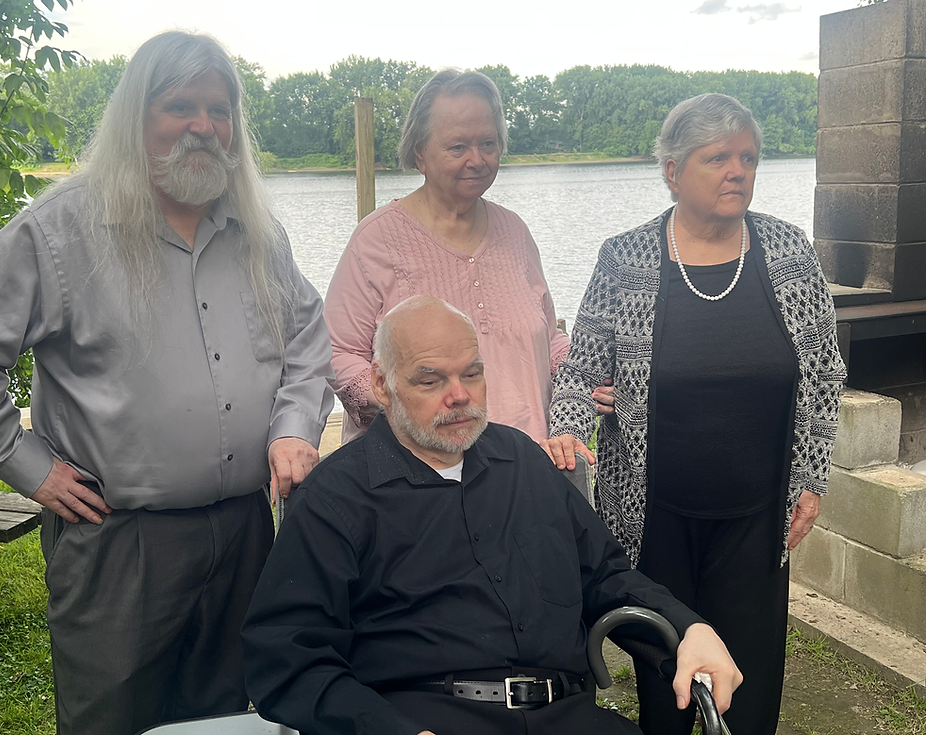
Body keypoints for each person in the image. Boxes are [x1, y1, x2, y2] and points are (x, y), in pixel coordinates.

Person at [0, 31, 333, 735]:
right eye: (179, 105)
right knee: (109, 720)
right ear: (136, 116)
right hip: (118, 540)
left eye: (219, 110)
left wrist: (293, 429)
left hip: (245, 530)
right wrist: (24, 463)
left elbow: (309, 337)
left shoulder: (257, 232)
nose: (203, 126)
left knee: (224, 718)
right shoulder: (66, 228)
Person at [242, 295, 742, 735]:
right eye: (430, 379)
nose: (458, 395)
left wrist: (690, 627)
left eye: (472, 373)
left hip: (566, 717)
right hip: (426, 718)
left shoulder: (523, 461)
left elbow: (607, 575)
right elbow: (286, 657)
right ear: (380, 384)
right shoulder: (337, 498)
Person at [543, 93, 847, 735]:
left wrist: (812, 480)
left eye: (748, 157)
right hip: (655, 517)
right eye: (718, 158)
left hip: (757, 519)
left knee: (751, 680)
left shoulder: (789, 251)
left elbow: (823, 376)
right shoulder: (625, 258)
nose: (738, 170)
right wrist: (568, 427)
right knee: (667, 685)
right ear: (673, 170)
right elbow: (580, 370)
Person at [323, 69, 569, 445]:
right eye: (457, 147)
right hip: (417, 481)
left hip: (523, 468)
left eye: (487, 143)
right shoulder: (375, 240)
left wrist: (583, 373)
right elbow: (337, 352)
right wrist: (401, 404)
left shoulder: (515, 231)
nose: (477, 159)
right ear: (420, 154)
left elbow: (547, 337)